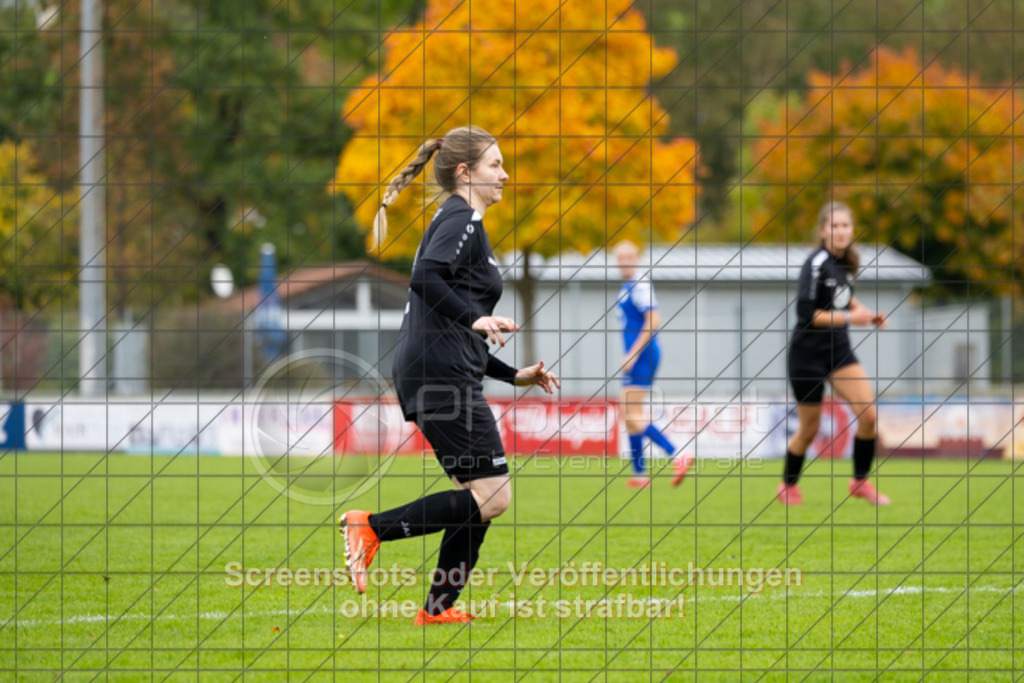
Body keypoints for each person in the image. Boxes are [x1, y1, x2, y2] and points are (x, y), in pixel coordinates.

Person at [339, 126, 560, 625]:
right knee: (495, 496)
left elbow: (451, 322)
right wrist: (474, 317)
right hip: (439, 378)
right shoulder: (461, 215)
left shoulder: (466, 224)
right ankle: (370, 527)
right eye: (495, 165)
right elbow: (425, 281)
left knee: (476, 497)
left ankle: (437, 610)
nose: (505, 174)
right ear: (465, 173)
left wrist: (511, 373)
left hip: (439, 370)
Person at [778, 201, 889, 506]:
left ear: (852, 230)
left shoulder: (846, 264)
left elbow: (846, 299)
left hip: (838, 352)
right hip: (807, 355)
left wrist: (868, 314)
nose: (840, 231)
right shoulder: (815, 263)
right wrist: (854, 318)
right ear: (823, 230)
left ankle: (859, 481)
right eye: (834, 226)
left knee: (869, 417)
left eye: (845, 226)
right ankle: (788, 485)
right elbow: (808, 314)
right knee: (810, 428)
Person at [614, 241, 694, 489]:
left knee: (630, 413)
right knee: (630, 416)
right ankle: (639, 475)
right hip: (640, 355)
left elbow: (654, 320)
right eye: (621, 257)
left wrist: (633, 354)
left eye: (629, 255)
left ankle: (677, 452)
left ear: (636, 258)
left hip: (644, 354)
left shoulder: (640, 285)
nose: (625, 260)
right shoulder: (627, 286)